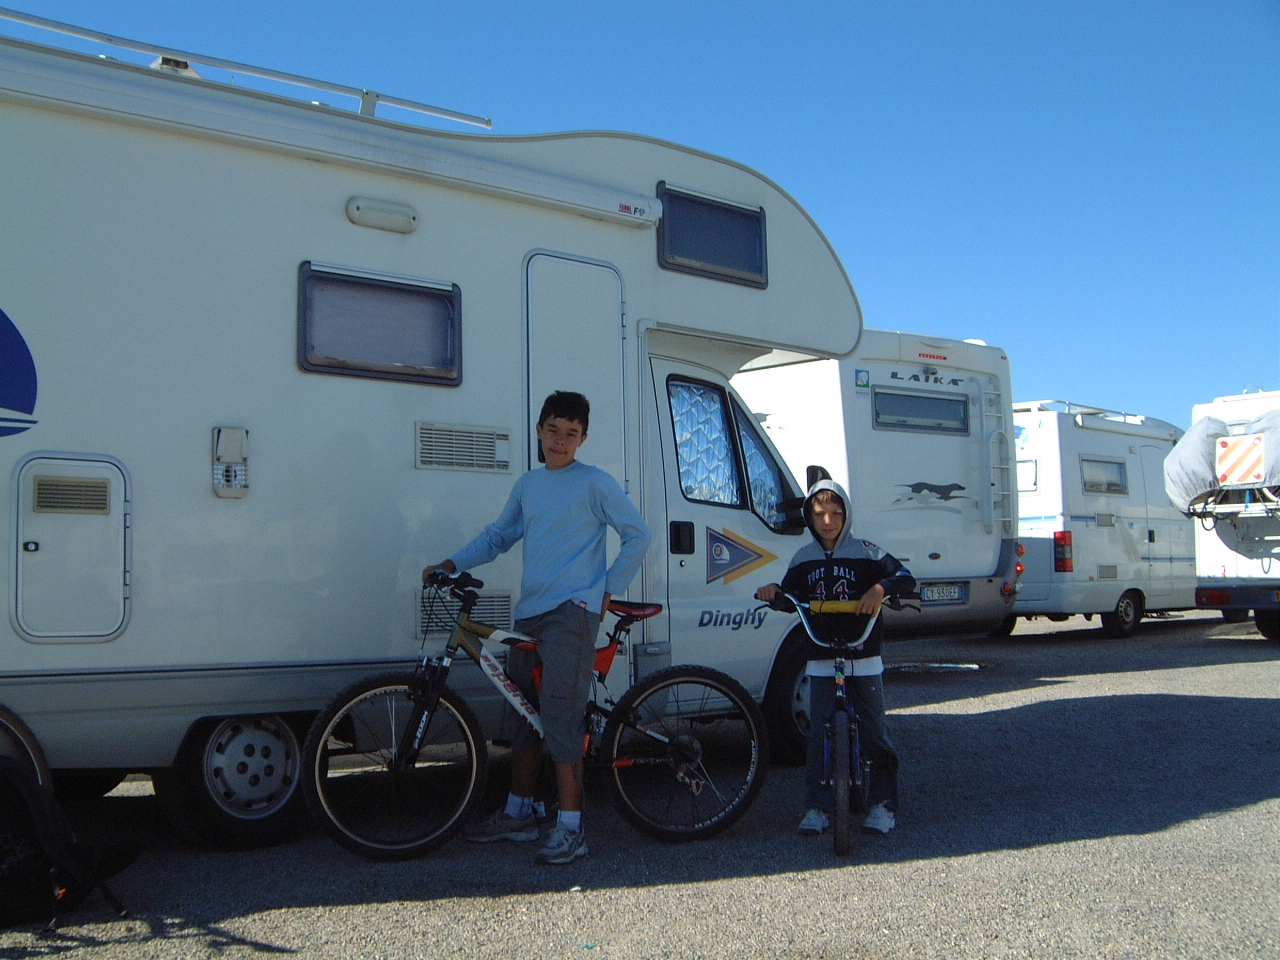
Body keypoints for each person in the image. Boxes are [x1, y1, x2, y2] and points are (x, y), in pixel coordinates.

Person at [423, 391, 650, 865]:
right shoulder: (529, 485)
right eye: (553, 430)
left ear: (583, 438)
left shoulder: (594, 482)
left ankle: (571, 827)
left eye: (571, 433)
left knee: (561, 717)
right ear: (539, 431)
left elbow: (638, 534)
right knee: (524, 715)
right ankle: (518, 813)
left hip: (572, 612)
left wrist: (608, 588)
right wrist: (452, 563)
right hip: (530, 612)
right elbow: (498, 537)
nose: (560, 440)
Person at [755, 479, 914, 836]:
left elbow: (905, 577)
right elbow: (789, 596)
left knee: (875, 732)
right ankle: (818, 806)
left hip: (864, 654)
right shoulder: (803, 558)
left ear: (847, 514)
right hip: (821, 656)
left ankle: (883, 803)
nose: (828, 521)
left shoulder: (867, 552)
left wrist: (880, 588)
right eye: (820, 513)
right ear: (809, 517)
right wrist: (774, 592)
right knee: (817, 736)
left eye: (836, 512)